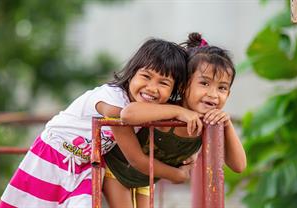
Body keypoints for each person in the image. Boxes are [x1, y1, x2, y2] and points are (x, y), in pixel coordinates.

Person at [0, 38, 192, 208]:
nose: (152, 88)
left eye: (164, 83)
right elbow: (136, 158)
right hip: (52, 157)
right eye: (146, 76)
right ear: (132, 72)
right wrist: (177, 175)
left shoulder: (147, 109)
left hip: (87, 168)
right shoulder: (112, 99)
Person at [102, 32, 247, 208]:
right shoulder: (167, 109)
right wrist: (178, 112)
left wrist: (227, 124)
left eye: (222, 88)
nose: (213, 94)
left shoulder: (210, 122)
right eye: (204, 83)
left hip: (146, 178)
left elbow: (239, 165)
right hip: (117, 171)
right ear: (184, 85)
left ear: (228, 94)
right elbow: (128, 113)